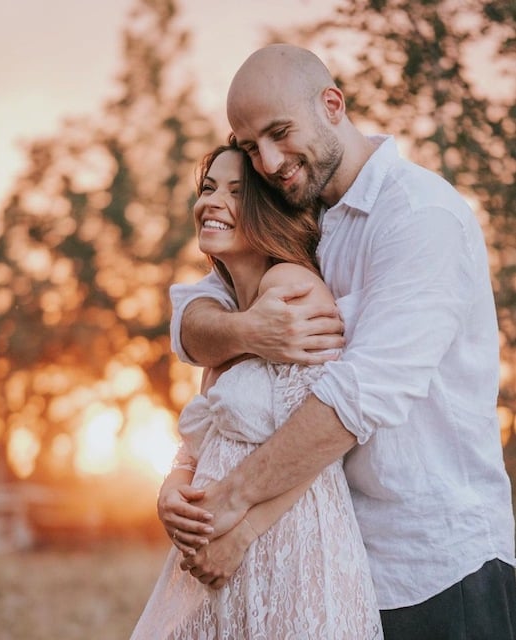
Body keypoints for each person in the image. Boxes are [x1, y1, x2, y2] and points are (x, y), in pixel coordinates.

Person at [169, 44, 516, 639]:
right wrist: (248, 329)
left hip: (438, 566)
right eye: (251, 147)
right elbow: (191, 317)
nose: (271, 161)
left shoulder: (418, 214)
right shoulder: (296, 212)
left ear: (333, 104)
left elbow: (361, 394)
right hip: (339, 567)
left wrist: (235, 508)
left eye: (280, 133)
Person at [130, 142, 383, 638]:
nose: (212, 201)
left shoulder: (289, 284)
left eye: (236, 191)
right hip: (228, 548)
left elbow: (317, 443)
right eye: (207, 189)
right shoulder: (226, 312)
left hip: (289, 543)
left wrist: (241, 534)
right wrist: (173, 487)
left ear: (268, 209)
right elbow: (204, 438)